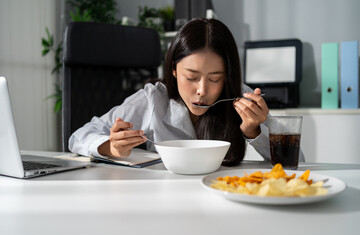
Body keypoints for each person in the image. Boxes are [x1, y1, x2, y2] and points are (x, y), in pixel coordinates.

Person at [69, 18, 270, 166]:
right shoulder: (154, 99)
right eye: (191, 77)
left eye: (215, 78)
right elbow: (79, 136)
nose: (202, 90)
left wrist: (254, 131)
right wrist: (111, 147)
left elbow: (295, 160)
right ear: (173, 70)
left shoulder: (242, 98)